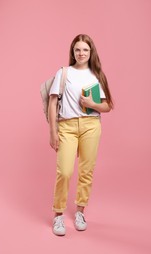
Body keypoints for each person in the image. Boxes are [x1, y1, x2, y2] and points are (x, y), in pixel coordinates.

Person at [48, 34, 113, 236]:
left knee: (86, 171)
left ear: (91, 52)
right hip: (66, 126)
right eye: (77, 49)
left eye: (85, 49)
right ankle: (58, 215)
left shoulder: (97, 75)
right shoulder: (64, 73)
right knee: (65, 171)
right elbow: (52, 103)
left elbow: (108, 106)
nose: (81, 53)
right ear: (73, 52)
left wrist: (92, 105)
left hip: (91, 126)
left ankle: (80, 211)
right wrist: (53, 132)